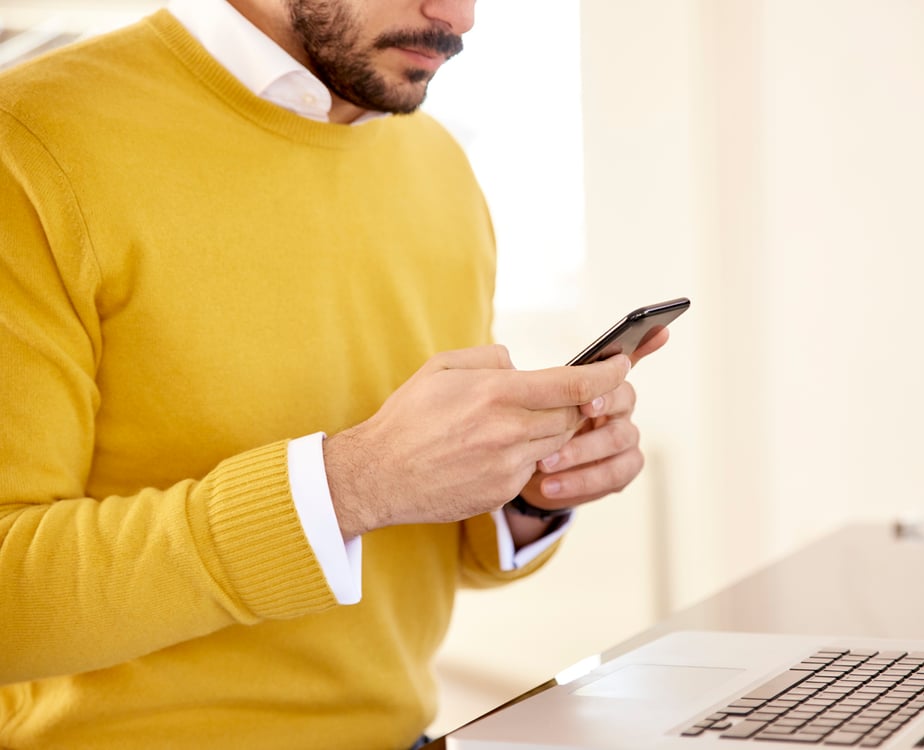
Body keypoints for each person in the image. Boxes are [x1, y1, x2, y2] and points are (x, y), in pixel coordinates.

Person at [0, 1, 670, 748]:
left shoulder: (436, 161)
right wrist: (350, 484)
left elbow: (412, 557)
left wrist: (527, 495)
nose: (458, 17)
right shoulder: (28, 143)